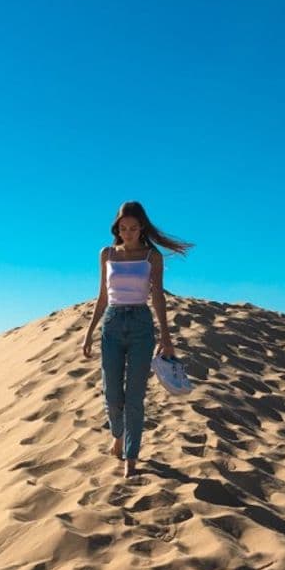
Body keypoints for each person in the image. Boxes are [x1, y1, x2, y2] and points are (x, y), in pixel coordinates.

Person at [82, 201, 193, 478]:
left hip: (142, 325)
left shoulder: (150, 257)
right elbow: (103, 295)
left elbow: (157, 296)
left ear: (141, 228)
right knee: (112, 394)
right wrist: (89, 331)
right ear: (116, 228)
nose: (128, 232)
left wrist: (166, 336)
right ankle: (117, 434)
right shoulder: (106, 254)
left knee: (134, 397)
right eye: (123, 228)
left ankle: (131, 457)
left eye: (133, 228)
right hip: (112, 322)